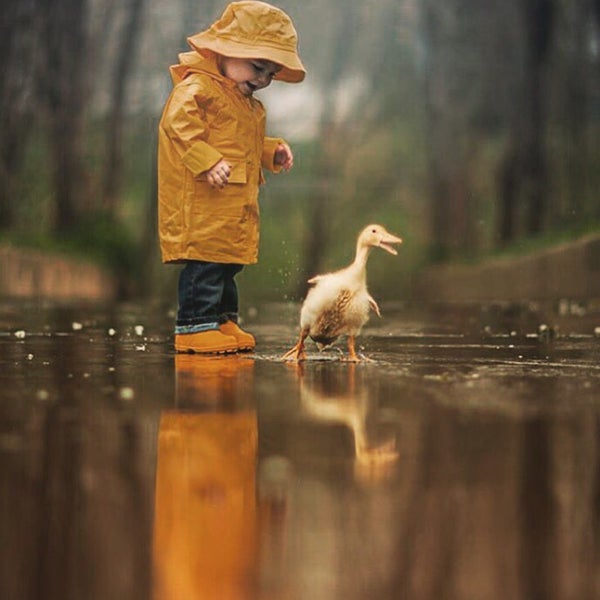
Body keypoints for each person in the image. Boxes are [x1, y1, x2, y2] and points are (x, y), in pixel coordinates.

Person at [158, 1, 305, 354]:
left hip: (232, 203)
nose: (262, 79)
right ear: (225, 50)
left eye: (270, 73)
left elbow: (241, 143)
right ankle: (194, 325)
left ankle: (223, 320)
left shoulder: (246, 103)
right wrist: (207, 161)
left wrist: (271, 152)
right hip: (203, 200)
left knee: (227, 265)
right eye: (257, 66)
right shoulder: (198, 90)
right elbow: (177, 125)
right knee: (205, 262)